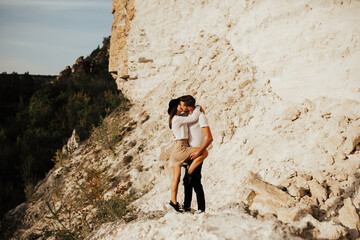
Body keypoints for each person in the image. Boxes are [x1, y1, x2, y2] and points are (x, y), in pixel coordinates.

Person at [167, 98, 208, 212]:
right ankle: (190, 171)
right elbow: (193, 117)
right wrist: (198, 107)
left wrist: (194, 107)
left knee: (176, 178)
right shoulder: (177, 118)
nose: (181, 106)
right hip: (181, 148)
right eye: (179, 105)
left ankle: (173, 203)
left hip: (177, 148)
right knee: (204, 151)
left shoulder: (179, 117)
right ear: (176, 107)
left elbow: (188, 113)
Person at [179, 95, 213, 213]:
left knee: (195, 180)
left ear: (188, 107)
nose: (180, 107)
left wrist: (199, 151)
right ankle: (186, 206)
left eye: (182, 105)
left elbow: (209, 138)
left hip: (197, 152)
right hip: (187, 152)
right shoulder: (185, 116)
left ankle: (201, 209)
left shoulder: (201, 117)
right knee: (186, 180)